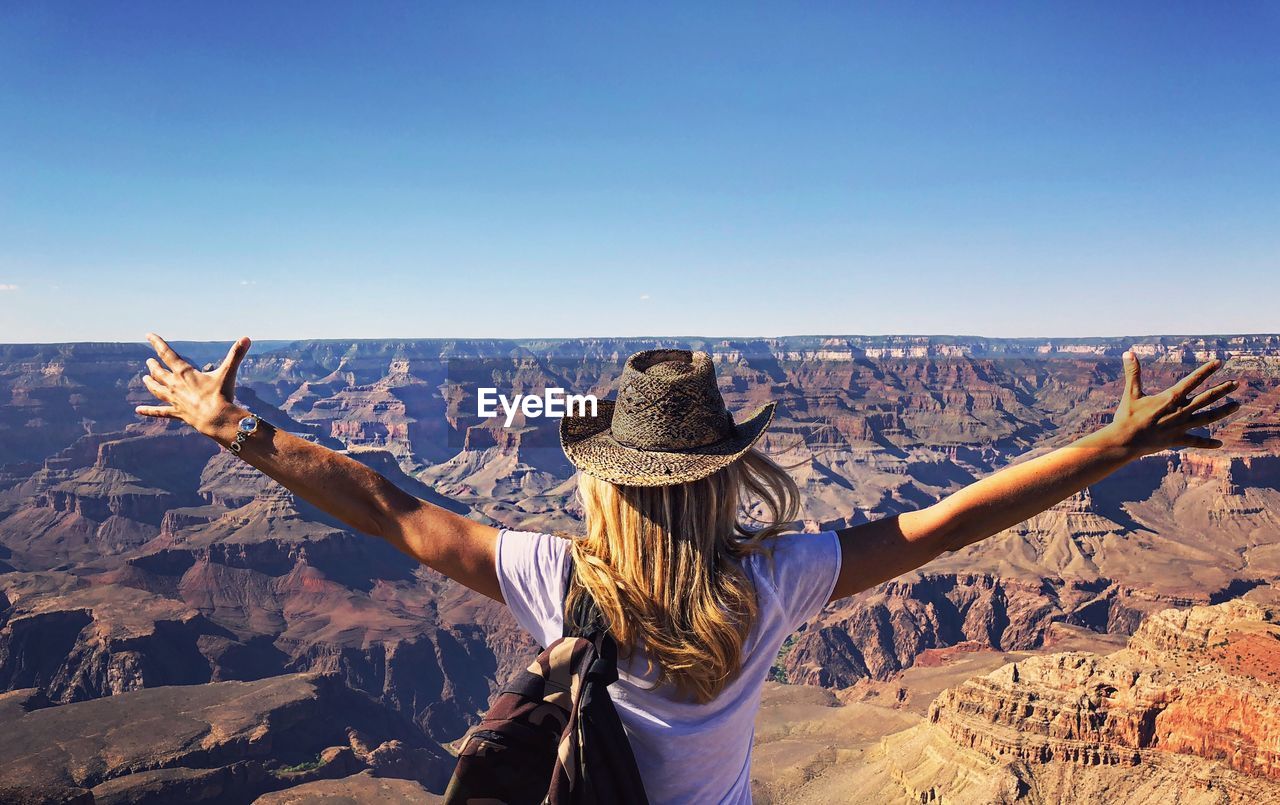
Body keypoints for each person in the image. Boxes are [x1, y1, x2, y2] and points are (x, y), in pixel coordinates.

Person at [136, 334, 1239, 804]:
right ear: (725, 474)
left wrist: (233, 424)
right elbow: (945, 524)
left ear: (604, 483)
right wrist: (1108, 445)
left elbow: (385, 506)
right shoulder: (777, 580)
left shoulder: (545, 573)